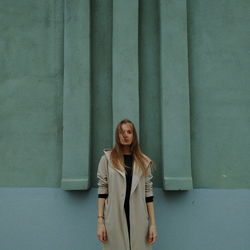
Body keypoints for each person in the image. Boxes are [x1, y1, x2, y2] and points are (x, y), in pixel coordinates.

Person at [96, 119, 158, 250]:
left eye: (129, 132)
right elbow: (102, 189)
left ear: (134, 136)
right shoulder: (107, 159)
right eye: (121, 132)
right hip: (114, 217)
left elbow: (148, 193)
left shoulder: (143, 161)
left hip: (139, 218)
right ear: (117, 136)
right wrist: (100, 221)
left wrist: (152, 224)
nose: (125, 135)